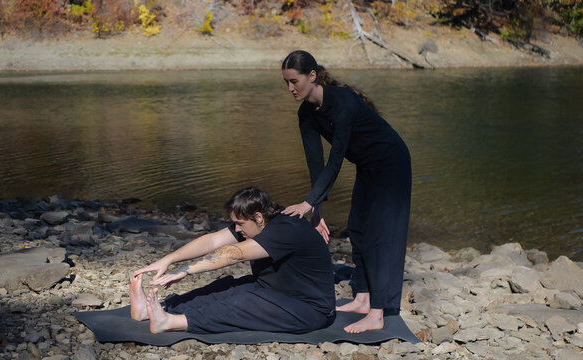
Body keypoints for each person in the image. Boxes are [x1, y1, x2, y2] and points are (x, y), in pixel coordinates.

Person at [280, 50, 412, 333]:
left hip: (392, 162)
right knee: (358, 229)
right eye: (286, 83)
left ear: (312, 76)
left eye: (294, 81)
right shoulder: (306, 113)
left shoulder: (344, 102)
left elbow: (336, 159)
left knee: (380, 235)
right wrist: (317, 210)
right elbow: (316, 164)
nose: (290, 89)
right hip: (367, 165)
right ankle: (363, 299)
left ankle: (378, 312)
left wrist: (307, 203)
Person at [131, 187, 336, 334]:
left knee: (243, 302)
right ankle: (156, 309)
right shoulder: (259, 221)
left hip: (310, 310)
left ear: (258, 217)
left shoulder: (286, 230)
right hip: (272, 292)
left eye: (239, 224)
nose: (236, 229)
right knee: (225, 287)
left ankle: (170, 322)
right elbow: (213, 241)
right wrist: (168, 260)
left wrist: (185, 270)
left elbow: (233, 254)